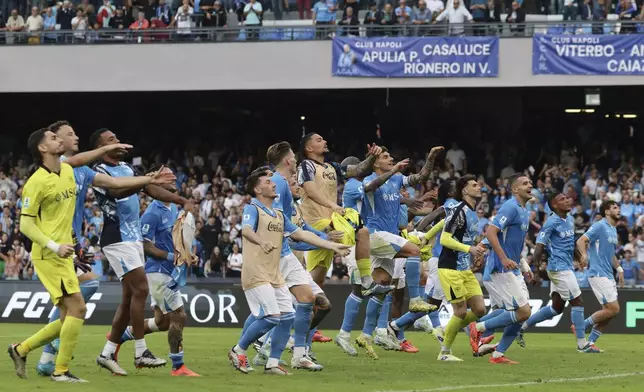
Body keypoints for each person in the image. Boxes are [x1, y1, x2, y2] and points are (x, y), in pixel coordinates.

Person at [35, 121, 175, 377]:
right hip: (53, 244)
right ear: (53, 141)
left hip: (71, 242)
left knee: (79, 298)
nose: (75, 137)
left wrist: (151, 180)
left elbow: (115, 184)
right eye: (70, 134)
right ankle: (50, 352)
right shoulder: (57, 169)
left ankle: (57, 355)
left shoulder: (81, 171)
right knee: (84, 291)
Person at [228, 167, 350, 375]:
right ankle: (238, 350)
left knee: (286, 317)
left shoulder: (278, 214)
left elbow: (301, 234)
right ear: (257, 190)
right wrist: (261, 241)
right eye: (267, 182)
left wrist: (331, 245)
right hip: (256, 272)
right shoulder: (252, 209)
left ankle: (272, 363)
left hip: (274, 273)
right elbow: (247, 231)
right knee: (273, 316)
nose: (273, 183)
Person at [90, 128, 192, 376]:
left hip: (133, 238)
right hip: (117, 238)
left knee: (127, 300)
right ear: (101, 147)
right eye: (111, 139)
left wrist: (181, 201)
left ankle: (107, 353)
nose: (117, 141)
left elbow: (150, 189)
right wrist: (144, 180)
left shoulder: (126, 167)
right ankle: (140, 351)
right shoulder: (99, 171)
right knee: (142, 289)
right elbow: (117, 191)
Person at [8, 129, 86, 382]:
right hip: (48, 254)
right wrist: (55, 246)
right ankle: (60, 371)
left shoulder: (68, 171)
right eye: (53, 138)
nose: (59, 140)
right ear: (42, 148)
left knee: (67, 316)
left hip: (64, 253)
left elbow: (64, 215)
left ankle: (21, 350)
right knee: (78, 308)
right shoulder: (36, 182)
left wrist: (73, 242)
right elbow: (26, 226)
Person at [356, 146, 443, 358]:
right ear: (375, 162)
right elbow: (373, 186)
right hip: (374, 235)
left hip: (387, 238)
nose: (391, 159)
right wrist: (394, 169)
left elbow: (421, 176)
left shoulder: (397, 180)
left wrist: (430, 157)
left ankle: (366, 335)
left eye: (391, 157)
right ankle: (415, 300)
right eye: (386, 157)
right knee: (414, 251)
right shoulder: (367, 179)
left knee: (382, 287)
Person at [255, 142, 333, 371]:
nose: (296, 184)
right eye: (294, 158)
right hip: (277, 259)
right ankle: (253, 348)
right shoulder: (278, 183)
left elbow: (297, 227)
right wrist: (322, 243)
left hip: (287, 258)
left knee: (315, 303)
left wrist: (325, 239)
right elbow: (281, 228)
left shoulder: (293, 204)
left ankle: (292, 350)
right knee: (278, 312)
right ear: (288, 161)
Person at [515, 193, 599, 353]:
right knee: (578, 302)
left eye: (567, 198)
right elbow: (539, 247)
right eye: (561, 199)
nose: (567, 200)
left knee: (556, 308)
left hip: (564, 267)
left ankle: (522, 327)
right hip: (559, 269)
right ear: (554, 205)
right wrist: (537, 272)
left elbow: (571, 243)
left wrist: (580, 256)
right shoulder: (551, 223)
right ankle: (582, 344)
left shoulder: (568, 220)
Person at [297, 134, 379, 288]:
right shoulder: (305, 166)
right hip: (314, 224)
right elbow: (310, 191)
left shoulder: (332, 167)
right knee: (361, 232)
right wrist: (333, 205)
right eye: (319, 140)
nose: (325, 141)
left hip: (331, 223)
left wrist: (372, 157)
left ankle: (304, 307)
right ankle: (366, 280)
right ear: (309, 148)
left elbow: (359, 170)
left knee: (318, 282)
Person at [334, 156, 394, 357]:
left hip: (364, 239)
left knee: (380, 283)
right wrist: (390, 172)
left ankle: (373, 332)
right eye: (360, 165)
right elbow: (370, 189)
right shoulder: (352, 185)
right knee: (359, 288)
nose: (364, 168)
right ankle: (344, 334)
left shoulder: (357, 183)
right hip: (353, 240)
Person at [471, 173, 533, 365]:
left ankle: (498, 355)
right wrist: (503, 258)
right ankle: (478, 328)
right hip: (500, 267)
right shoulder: (510, 206)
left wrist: (524, 264)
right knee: (522, 312)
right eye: (525, 183)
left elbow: (513, 243)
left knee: (519, 314)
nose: (530, 185)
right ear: (514, 189)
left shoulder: (524, 210)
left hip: (513, 267)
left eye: (530, 182)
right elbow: (491, 231)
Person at [435, 175, 486, 361]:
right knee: (461, 312)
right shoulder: (459, 210)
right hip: (450, 268)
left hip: (465, 268)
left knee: (480, 309)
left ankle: (448, 329)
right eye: (474, 185)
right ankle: (445, 352)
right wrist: (470, 249)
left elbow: (466, 238)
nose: (478, 186)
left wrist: (476, 253)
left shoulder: (473, 213)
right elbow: (445, 239)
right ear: (464, 190)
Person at [576, 200, 623, 352]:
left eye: (619, 207)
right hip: (598, 273)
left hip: (608, 274)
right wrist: (584, 255)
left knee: (608, 314)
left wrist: (619, 269)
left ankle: (589, 343)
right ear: (607, 211)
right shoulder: (600, 225)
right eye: (615, 207)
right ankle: (580, 326)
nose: (618, 209)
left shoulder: (612, 229)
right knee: (614, 309)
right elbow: (581, 240)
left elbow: (611, 255)